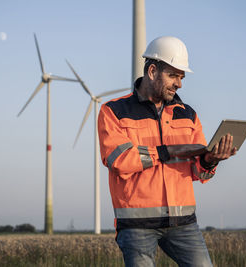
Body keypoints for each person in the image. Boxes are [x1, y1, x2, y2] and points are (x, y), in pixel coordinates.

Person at [97, 36, 236, 267]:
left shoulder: (188, 114)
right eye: (173, 75)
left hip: (183, 223)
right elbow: (119, 159)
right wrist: (164, 152)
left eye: (181, 77)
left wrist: (210, 160)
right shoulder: (113, 111)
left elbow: (197, 173)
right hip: (137, 225)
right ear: (152, 71)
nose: (179, 84)